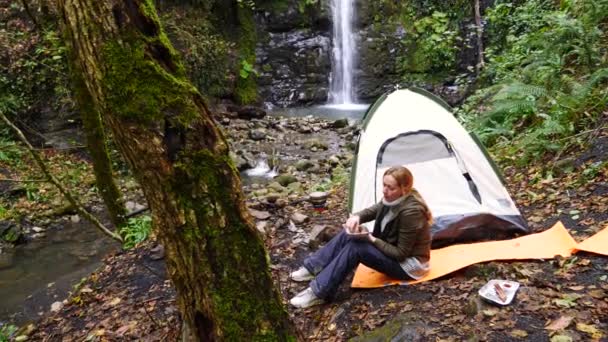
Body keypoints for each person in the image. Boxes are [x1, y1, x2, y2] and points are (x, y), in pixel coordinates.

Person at [289, 166, 432, 308]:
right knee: (348, 233)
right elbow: (373, 210)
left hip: (409, 266)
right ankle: (312, 267)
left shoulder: (411, 213)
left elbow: (401, 254)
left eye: (390, 187)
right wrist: (356, 217)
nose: (384, 190)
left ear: (404, 189)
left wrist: (370, 238)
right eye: (384, 185)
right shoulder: (394, 199)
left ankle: (319, 292)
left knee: (357, 248)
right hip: (394, 253)